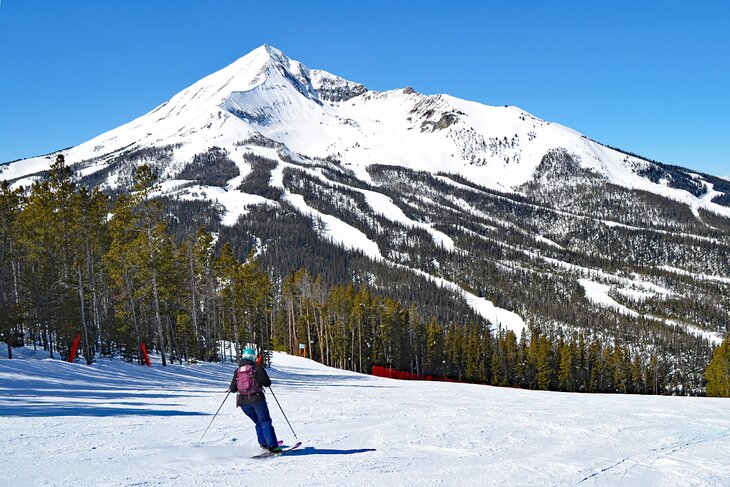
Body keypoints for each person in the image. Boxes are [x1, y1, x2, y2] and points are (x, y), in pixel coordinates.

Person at [229, 347, 281, 453]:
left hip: (243, 403)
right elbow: (267, 383)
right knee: (265, 421)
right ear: (253, 357)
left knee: (258, 422)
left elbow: (233, 389)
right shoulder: (256, 368)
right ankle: (272, 446)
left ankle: (263, 444)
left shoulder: (237, 370)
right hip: (257, 399)